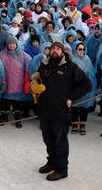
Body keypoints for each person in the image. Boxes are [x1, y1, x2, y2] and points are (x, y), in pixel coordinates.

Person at [31, 41, 91, 181]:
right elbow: (37, 79)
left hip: (60, 110)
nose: (55, 51)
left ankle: (62, 169)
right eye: (53, 49)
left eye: (58, 49)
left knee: (60, 141)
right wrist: (34, 85)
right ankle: (52, 162)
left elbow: (87, 84)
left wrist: (71, 97)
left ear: (62, 52)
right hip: (45, 109)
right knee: (48, 139)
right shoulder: (44, 65)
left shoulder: (70, 67)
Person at [0, 36, 31, 128]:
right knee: (5, 102)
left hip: (18, 83)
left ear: (16, 44)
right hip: (6, 83)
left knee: (17, 104)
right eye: (9, 44)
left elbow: (29, 67)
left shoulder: (23, 55)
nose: (11, 45)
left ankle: (18, 119)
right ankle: (4, 118)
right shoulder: (2, 54)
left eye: (13, 43)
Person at [70, 42, 97, 135]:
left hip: (86, 87)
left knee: (84, 107)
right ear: (75, 50)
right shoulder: (72, 60)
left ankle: (82, 124)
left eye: (83, 49)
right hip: (75, 87)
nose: (82, 51)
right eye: (80, 49)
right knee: (75, 107)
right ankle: (74, 124)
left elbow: (92, 73)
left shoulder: (87, 59)